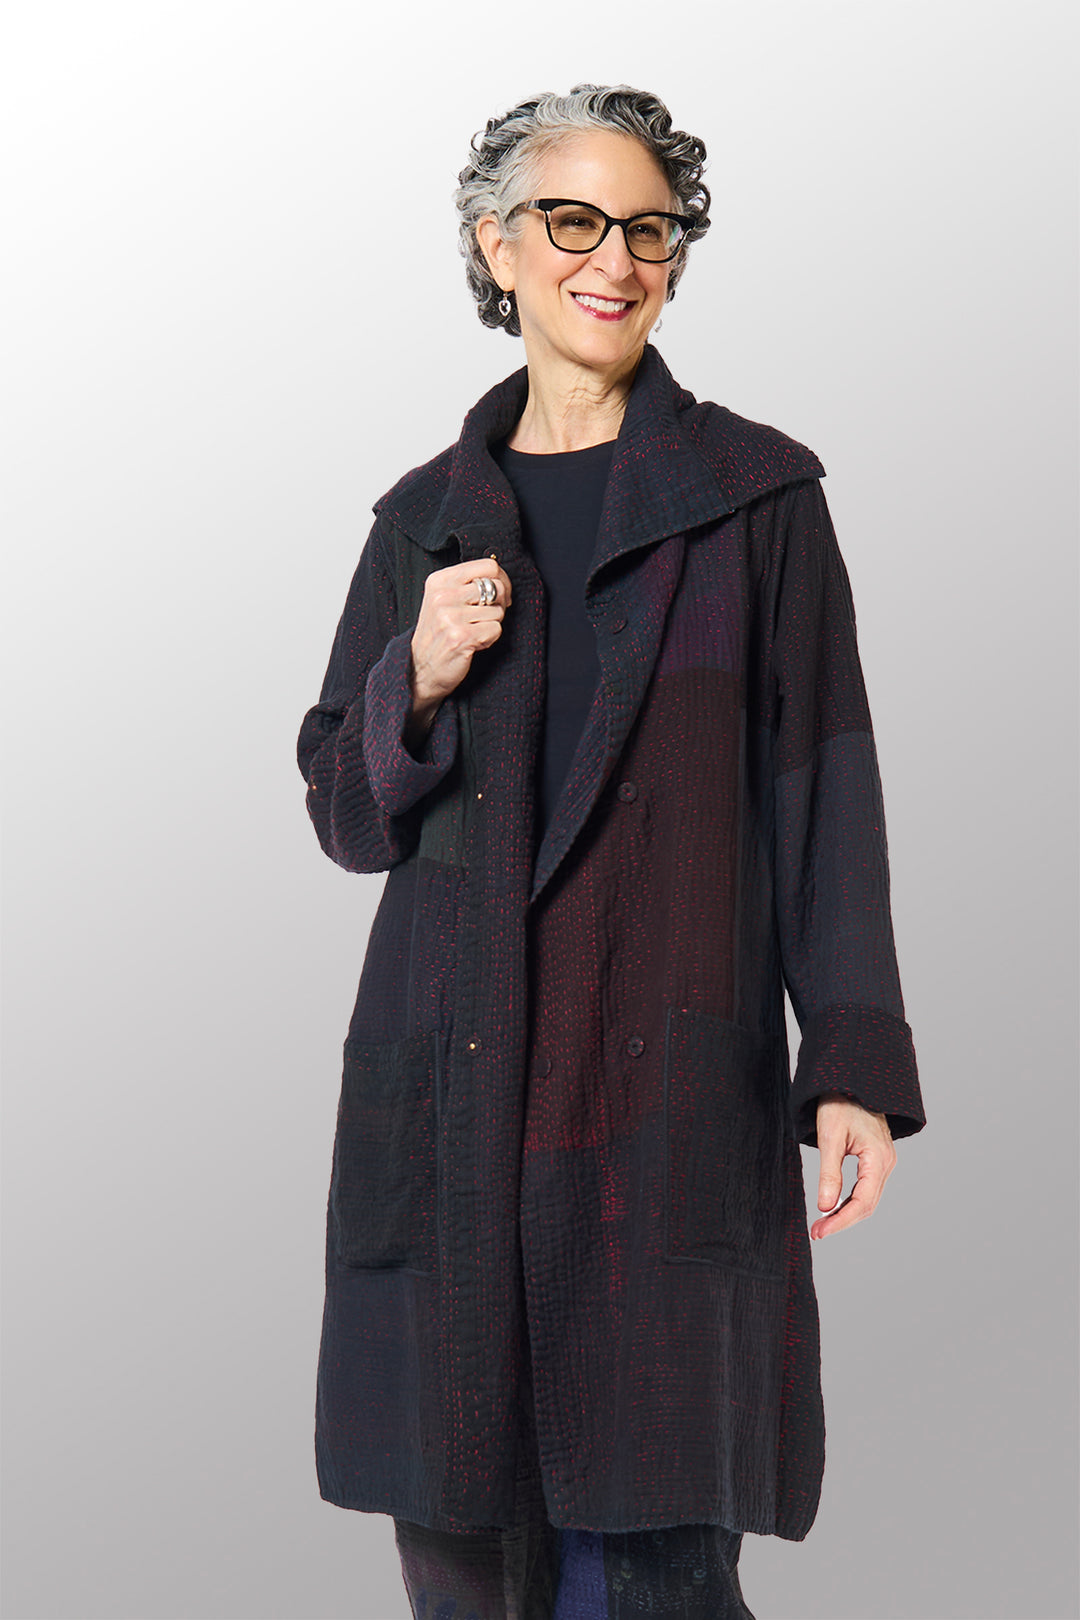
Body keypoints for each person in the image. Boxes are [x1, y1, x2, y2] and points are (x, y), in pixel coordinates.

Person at [296, 83, 926, 1620]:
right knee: (463, 1549)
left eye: (651, 229)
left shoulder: (753, 501)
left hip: (656, 1096)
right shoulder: (423, 523)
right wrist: (412, 680)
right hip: (455, 1084)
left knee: (650, 1555)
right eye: (575, 221)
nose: (617, 260)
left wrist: (849, 1060)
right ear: (496, 247)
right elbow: (342, 814)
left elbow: (826, 796)